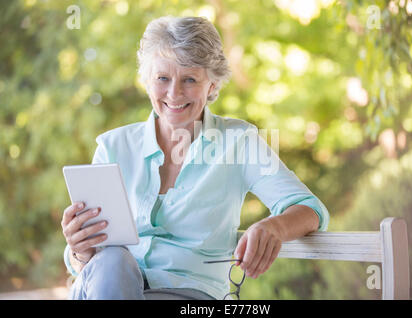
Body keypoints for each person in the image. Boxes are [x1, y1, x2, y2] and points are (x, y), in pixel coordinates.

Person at [61, 16, 330, 300]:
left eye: (189, 79)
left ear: (212, 85)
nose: (174, 93)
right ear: (147, 81)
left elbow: (311, 209)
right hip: (107, 287)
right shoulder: (112, 147)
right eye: (162, 78)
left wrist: (274, 226)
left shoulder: (238, 142)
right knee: (113, 260)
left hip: (187, 295)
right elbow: (87, 264)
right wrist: (80, 249)